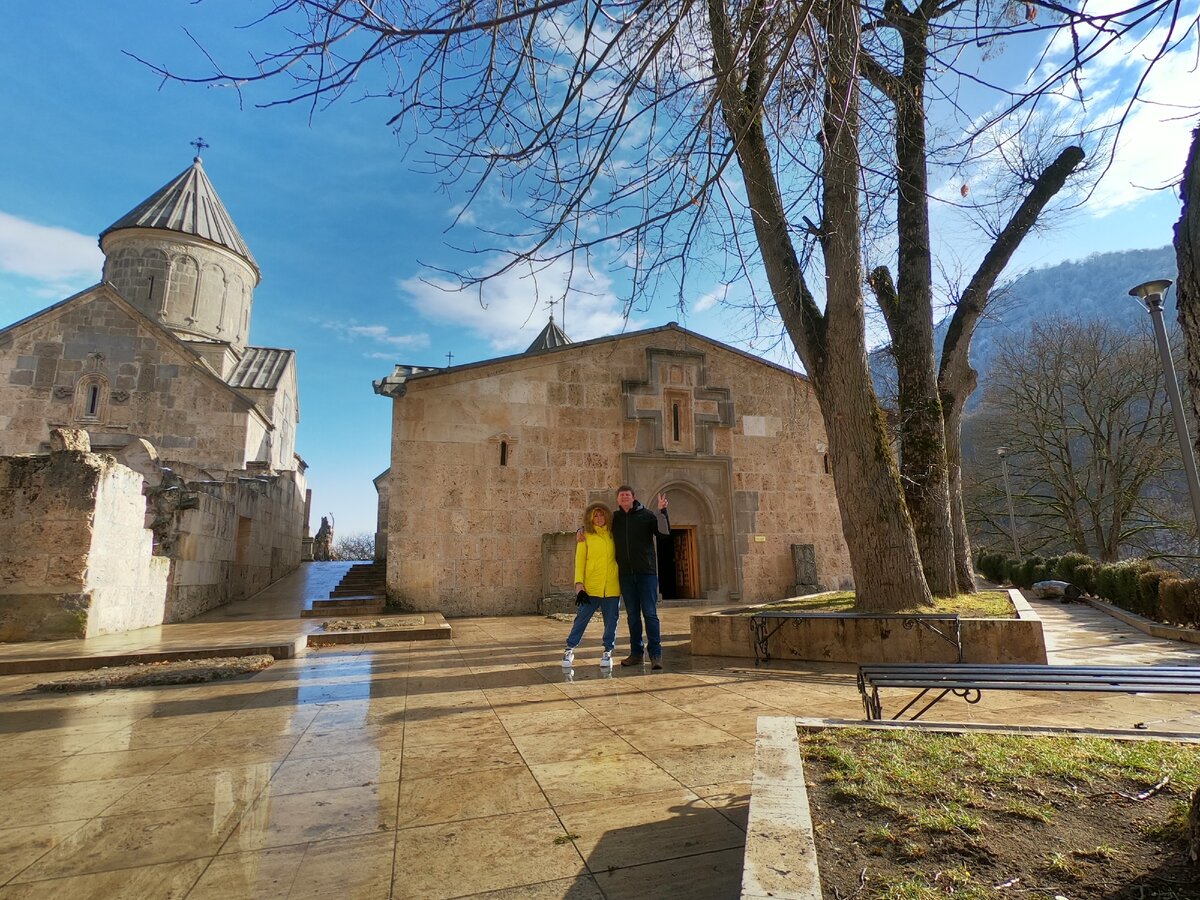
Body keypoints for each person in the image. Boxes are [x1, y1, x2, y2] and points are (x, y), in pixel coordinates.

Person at [612, 486, 670, 669]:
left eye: (627, 495)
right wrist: (582, 529)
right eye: (621, 496)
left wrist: (662, 511)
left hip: (646, 573)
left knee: (650, 614)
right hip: (626, 575)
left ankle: (655, 655)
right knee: (632, 616)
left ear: (633, 497)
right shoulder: (615, 518)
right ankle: (636, 653)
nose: (624, 498)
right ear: (617, 500)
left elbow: (664, 533)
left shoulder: (647, 515)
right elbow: (596, 526)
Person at [564, 502, 622, 668]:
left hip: (611, 587)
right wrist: (579, 584)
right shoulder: (585, 536)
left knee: (611, 621)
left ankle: (607, 651)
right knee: (581, 618)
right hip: (590, 588)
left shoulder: (613, 534)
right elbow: (579, 561)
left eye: (601, 514)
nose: (599, 518)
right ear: (590, 518)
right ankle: (570, 649)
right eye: (595, 515)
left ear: (607, 516)